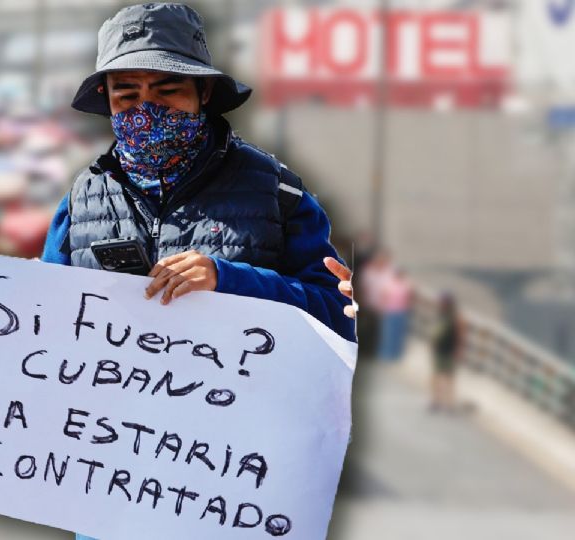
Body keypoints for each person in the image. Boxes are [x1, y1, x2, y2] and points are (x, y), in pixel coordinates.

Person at [38, 5, 354, 538]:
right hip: (112, 498)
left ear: (203, 94)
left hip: (231, 496)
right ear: (108, 102)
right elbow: (44, 333)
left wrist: (229, 280)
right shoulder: (80, 200)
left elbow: (336, 322)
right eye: (128, 95)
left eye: (167, 91)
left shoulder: (279, 195)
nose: (147, 108)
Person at [430, 293, 463, 413]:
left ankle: (449, 403)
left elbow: (460, 335)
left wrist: (458, 350)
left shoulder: (455, 317)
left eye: (443, 302)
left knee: (449, 378)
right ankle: (436, 401)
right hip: (439, 350)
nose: (440, 304)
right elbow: (435, 332)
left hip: (449, 351)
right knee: (436, 377)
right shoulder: (440, 315)